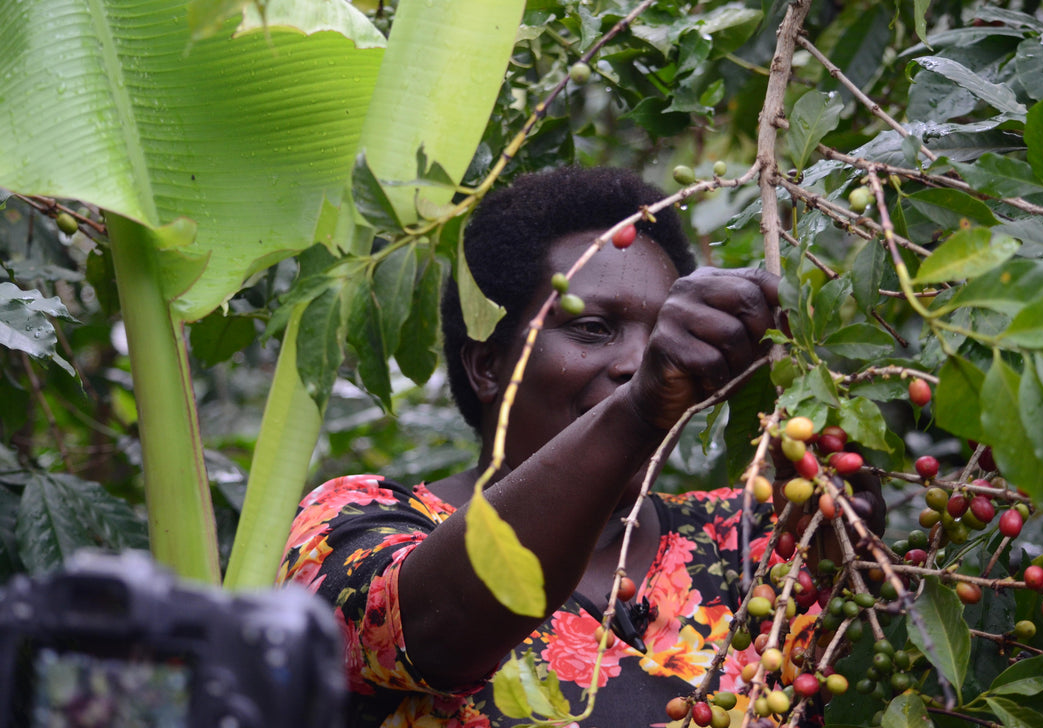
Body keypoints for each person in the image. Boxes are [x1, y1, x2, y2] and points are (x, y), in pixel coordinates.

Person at [278, 166, 880, 727]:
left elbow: (849, 666)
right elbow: (438, 630)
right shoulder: (352, 523)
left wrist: (851, 555)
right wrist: (637, 410)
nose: (638, 362)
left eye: (664, 335)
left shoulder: (751, 538)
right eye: (593, 328)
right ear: (488, 365)